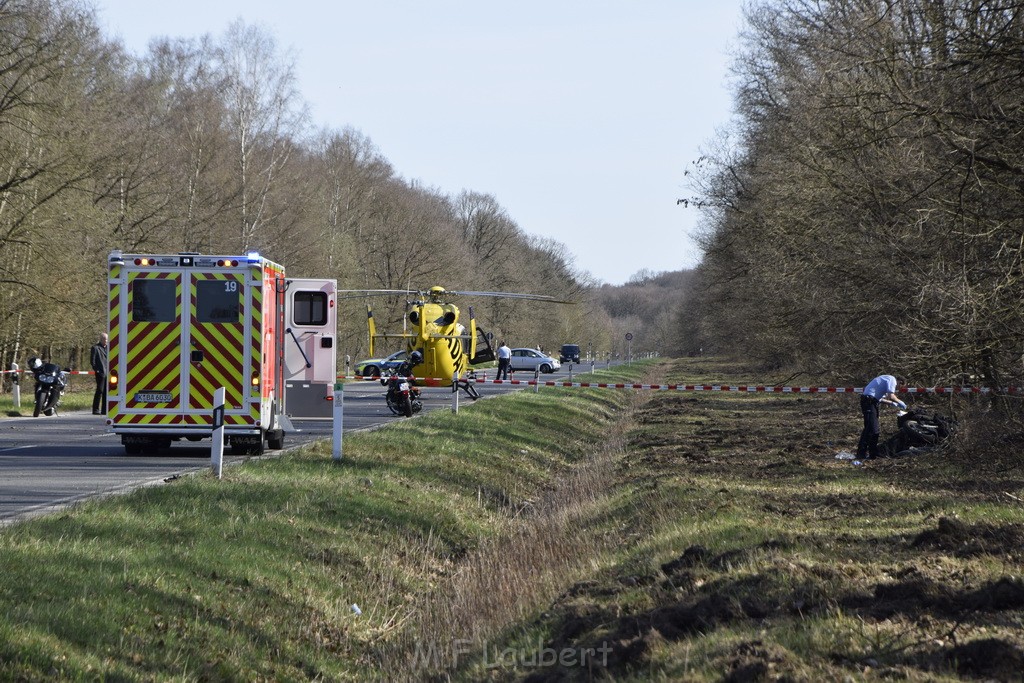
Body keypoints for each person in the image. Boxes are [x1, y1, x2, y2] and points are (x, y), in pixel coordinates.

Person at [857, 374, 907, 460]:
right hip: (869, 402)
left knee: (870, 429)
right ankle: (863, 454)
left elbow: (880, 398)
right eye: (900, 387)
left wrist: (891, 403)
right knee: (873, 429)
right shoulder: (892, 380)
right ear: (900, 382)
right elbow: (891, 396)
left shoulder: (886, 381)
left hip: (870, 402)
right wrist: (900, 402)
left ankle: (870, 454)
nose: (898, 389)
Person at [90, 333, 108, 415]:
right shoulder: (95, 348)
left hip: (108, 373)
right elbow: (92, 361)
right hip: (100, 373)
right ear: (101, 339)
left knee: (106, 392)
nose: (106, 341)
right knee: (100, 390)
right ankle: (95, 409)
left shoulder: (109, 348)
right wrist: (97, 370)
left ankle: (104, 410)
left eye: (107, 339)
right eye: (104, 339)